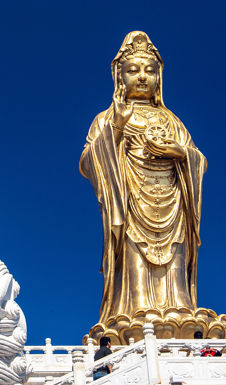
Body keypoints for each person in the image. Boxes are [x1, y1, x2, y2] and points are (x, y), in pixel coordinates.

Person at [79, 31, 207, 324]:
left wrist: (180, 152)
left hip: (172, 203)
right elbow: (87, 161)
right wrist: (117, 128)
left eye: (149, 71)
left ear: (159, 78)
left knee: (174, 259)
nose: (142, 77)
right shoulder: (106, 118)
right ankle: (133, 312)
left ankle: (180, 310)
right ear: (119, 77)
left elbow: (199, 159)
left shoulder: (172, 121)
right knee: (134, 255)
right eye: (133, 70)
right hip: (131, 201)